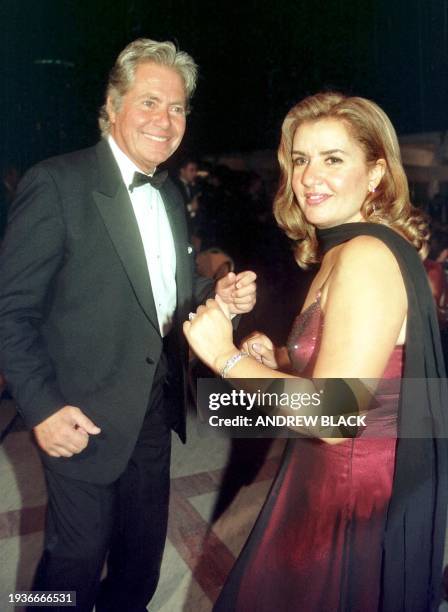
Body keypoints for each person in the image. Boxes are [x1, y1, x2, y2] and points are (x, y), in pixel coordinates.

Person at [0, 38, 256, 612]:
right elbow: (9, 310)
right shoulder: (57, 183)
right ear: (113, 106)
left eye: (178, 107)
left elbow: (165, 298)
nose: (165, 120)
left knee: (140, 563)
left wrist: (218, 297)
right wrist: (40, 409)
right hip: (78, 414)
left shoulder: (170, 193)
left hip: (153, 412)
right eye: (149, 102)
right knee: (70, 570)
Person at [184, 92, 448, 611]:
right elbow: (360, 366)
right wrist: (275, 360)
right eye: (301, 159)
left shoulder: (366, 256)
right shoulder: (349, 248)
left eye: (333, 158)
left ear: (375, 173)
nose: (309, 176)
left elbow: (334, 412)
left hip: (347, 490)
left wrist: (225, 358)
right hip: (327, 474)